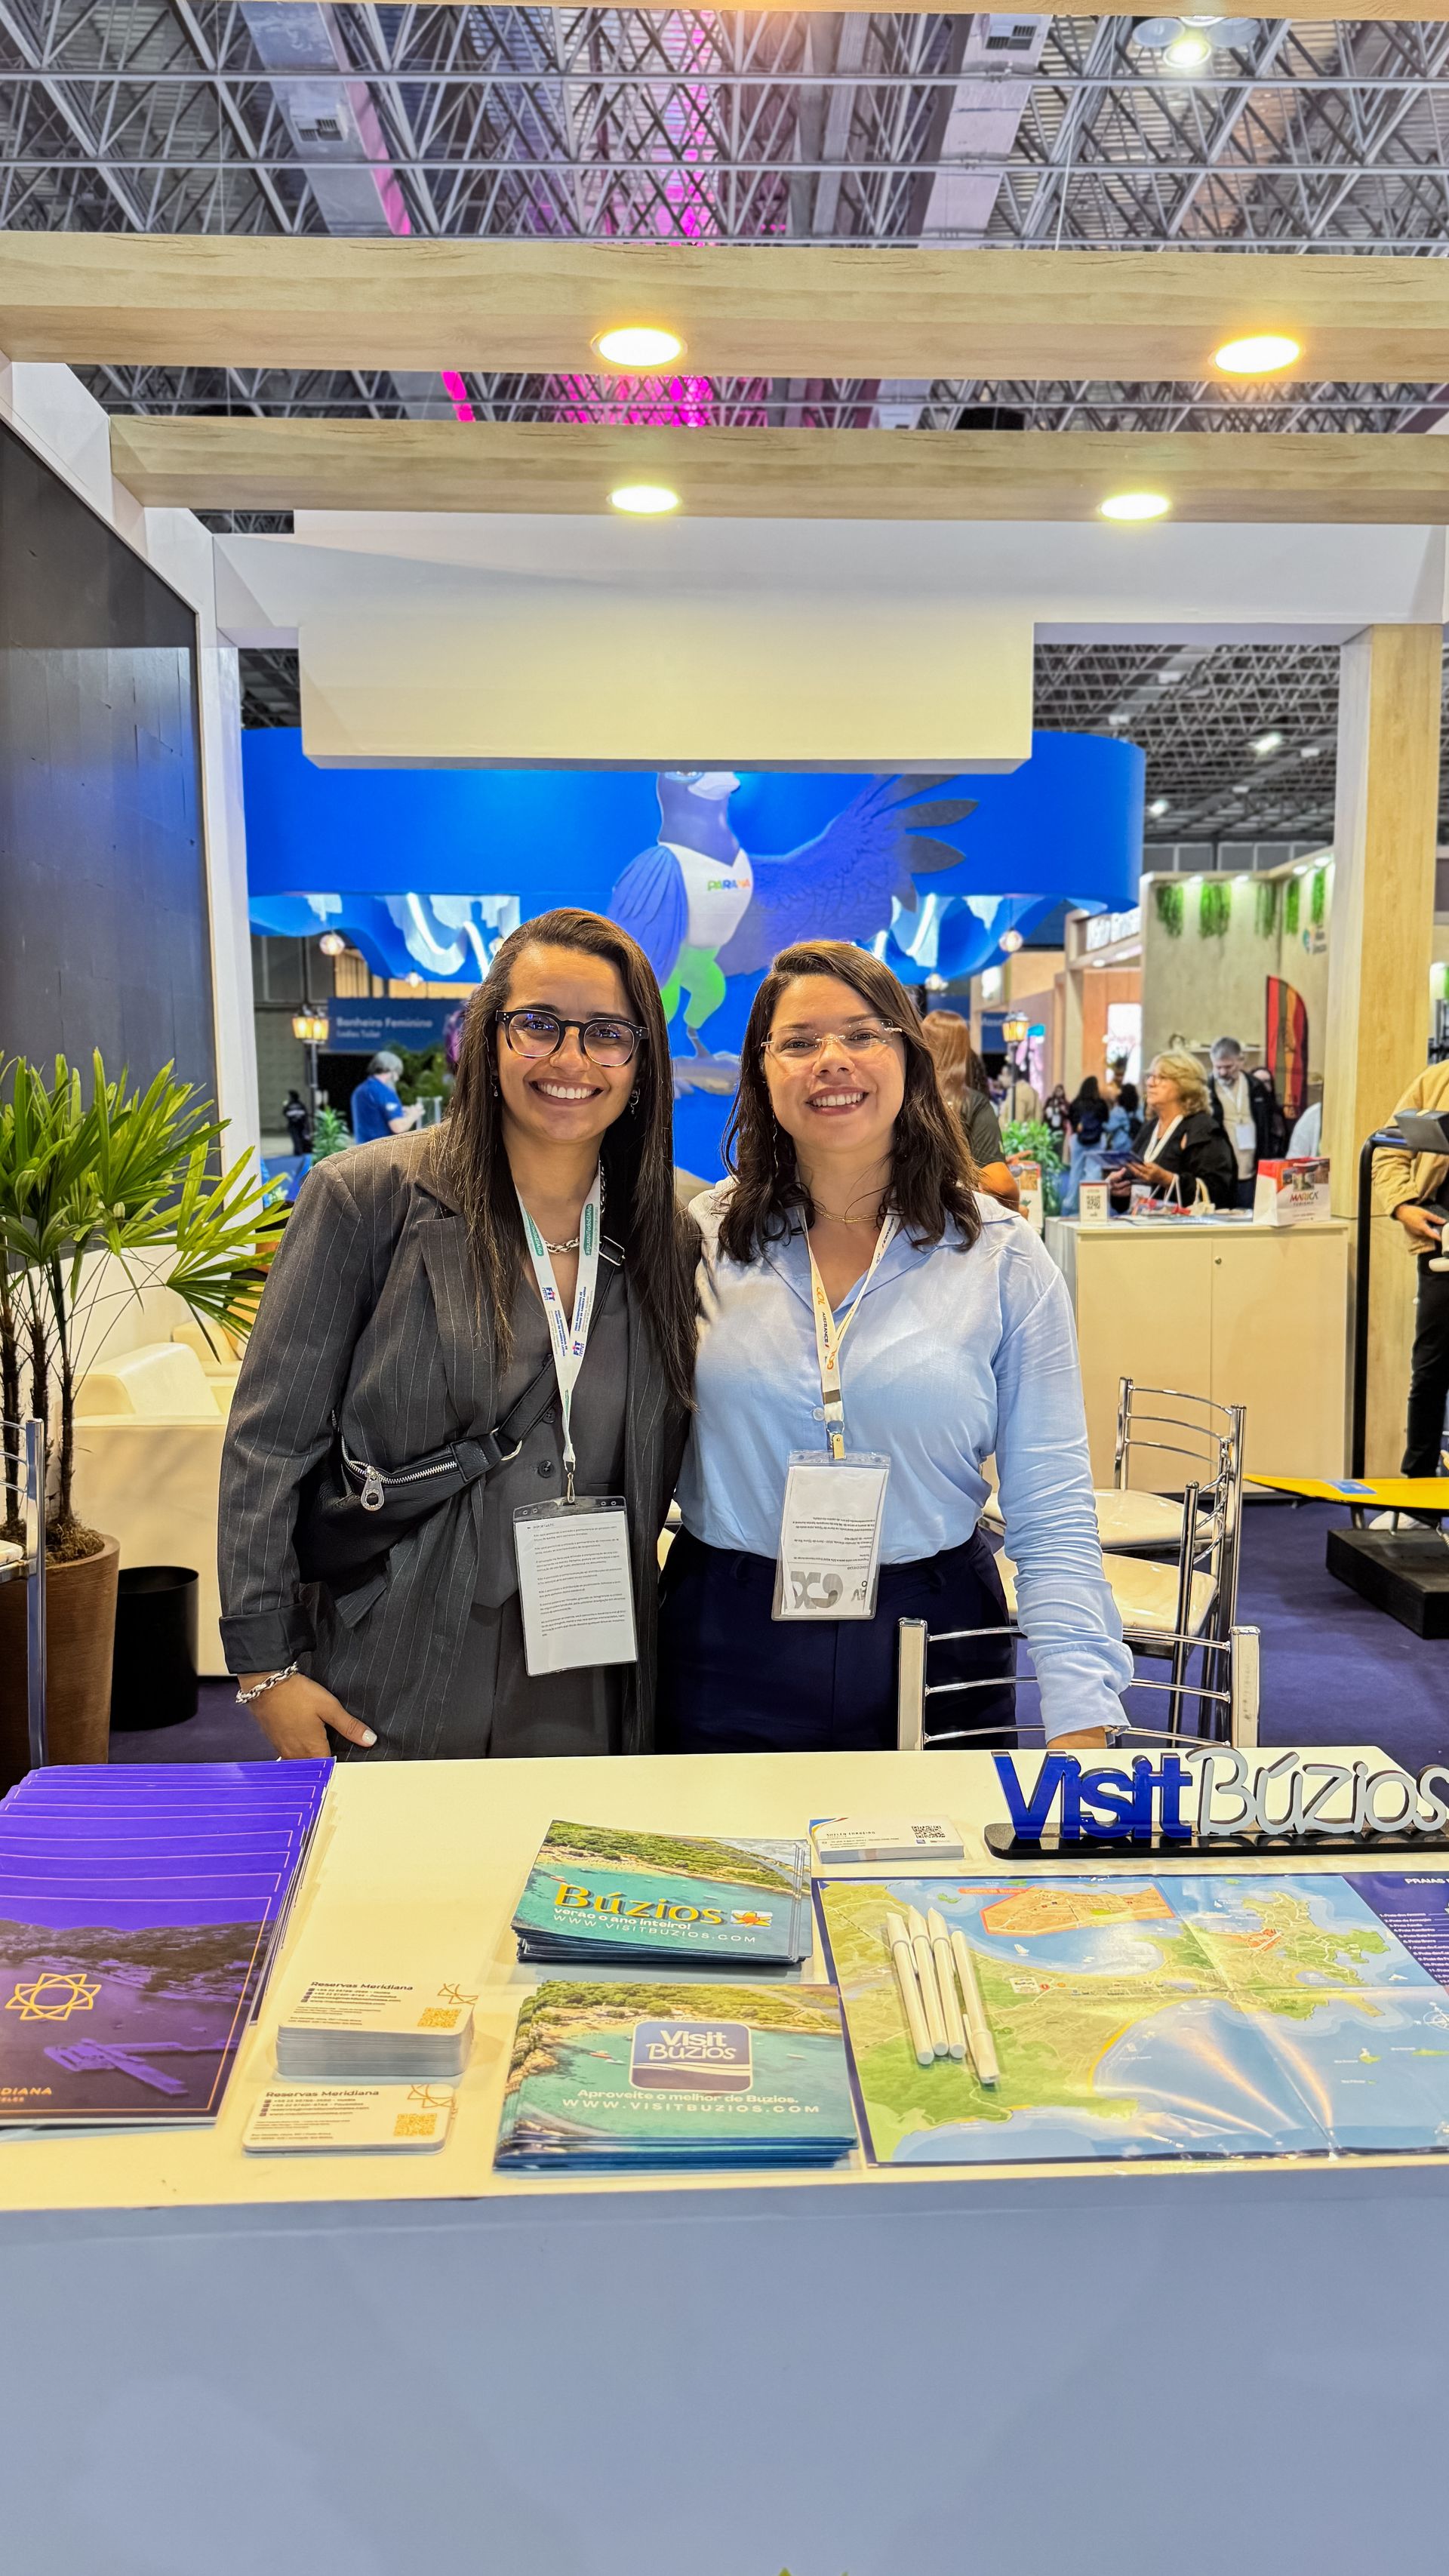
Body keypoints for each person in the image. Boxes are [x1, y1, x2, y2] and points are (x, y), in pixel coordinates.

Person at [219, 909, 697, 1760]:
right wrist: (264, 1669)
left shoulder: (670, 1227)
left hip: (595, 1657)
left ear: (640, 1060)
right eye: (538, 1025)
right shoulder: (367, 1197)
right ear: (489, 1036)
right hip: (396, 1649)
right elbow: (270, 1439)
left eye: (607, 1034)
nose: (570, 1059)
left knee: (572, 1885)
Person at [657, 940, 1131, 1756]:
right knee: (723, 1874)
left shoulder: (1001, 1256)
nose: (831, 1060)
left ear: (909, 1059)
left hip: (936, 1634)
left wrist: (1080, 1713)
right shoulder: (698, 1241)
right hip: (727, 1640)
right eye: (800, 1041)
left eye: (863, 1034)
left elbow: (1050, 1506)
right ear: (762, 1072)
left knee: (939, 1882)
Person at [1374, 1059, 1449, 1516]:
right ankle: (1417, 1492)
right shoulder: (1437, 1079)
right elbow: (1386, 1149)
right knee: (1432, 1367)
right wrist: (1403, 1205)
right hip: (1441, 1240)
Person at [918, 1010, 1020, 1211]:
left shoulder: (904, 1098)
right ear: (962, 1050)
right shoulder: (973, 1103)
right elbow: (1000, 1185)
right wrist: (1017, 1210)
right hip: (956, 1223)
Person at [1109, 1051, 1237, 1210]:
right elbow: (1137, 1188)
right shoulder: (1150, 1127)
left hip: (1187, 1232)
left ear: (1185, 1085)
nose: (1150, 1083)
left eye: (1161, 1077)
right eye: (1150, 1076)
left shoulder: (1203, 1130)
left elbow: (1219, 1192)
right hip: (1147, 1228)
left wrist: (1168, 1179)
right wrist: (1119, 1192)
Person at [1209, 1035, 1287, 1210]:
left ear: (1241, 1061)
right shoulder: (1206, 1090)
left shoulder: (1256, 1087)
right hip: (1222, 1173)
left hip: (1253, 1170)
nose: (1222, 1072)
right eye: (1218, 1067)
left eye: (1228, 1067)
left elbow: (1269, 1126)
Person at [350, 1051, 423, 1145]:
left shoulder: (360, 1090)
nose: (397, 1079)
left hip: (361, 1150)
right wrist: (413, 1115)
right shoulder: (386, 1092)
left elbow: (374, 1117)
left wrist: (400, 1112)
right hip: (381, 1151)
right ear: (391, 1071)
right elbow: (398, 1127)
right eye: (397, 1074)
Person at [282, 1088, 312, 1157]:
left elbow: (285, 1113)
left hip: (293, 1125)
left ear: (291, 1097)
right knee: (300, 1138)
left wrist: (284, 1106)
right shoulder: (301, 1105)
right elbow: (305, 1115)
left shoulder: (289, 1105)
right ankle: (299, 1151)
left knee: (296, 1139)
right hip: (301, 1124)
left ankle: (298, 1152)